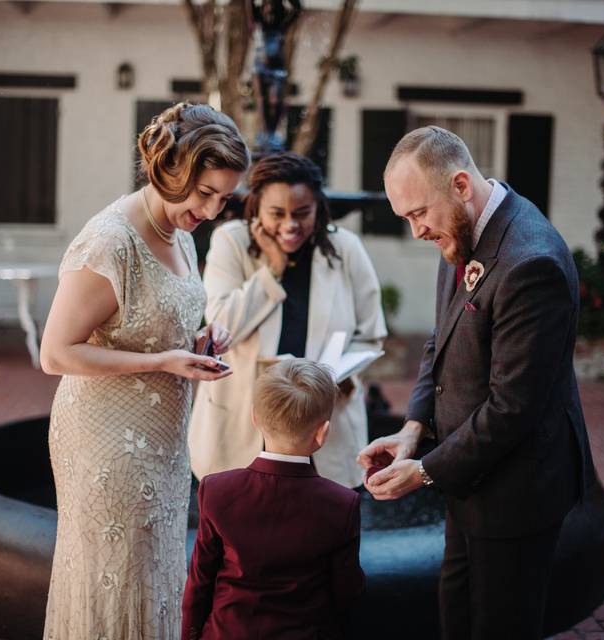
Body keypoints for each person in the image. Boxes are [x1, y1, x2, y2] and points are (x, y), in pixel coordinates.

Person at [358, 126, 596, 639]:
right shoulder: (464, 230)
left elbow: (513, 408)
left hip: (517, 493)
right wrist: (412, 430)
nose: (416, 230)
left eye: (419, 213)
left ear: (461, 184)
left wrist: (423, 473)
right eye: (406, 218)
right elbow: (437, 344)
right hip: (468, 480)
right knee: (457, 618)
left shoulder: (531, 264)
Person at [38, 102, 249, 639]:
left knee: (153, 578)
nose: (212, 209)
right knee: (115, 577)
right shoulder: (111, 241)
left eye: (224, 198)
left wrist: (198, 339)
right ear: (172, 169)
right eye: (204, 193)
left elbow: (156, 321)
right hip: (105, 440)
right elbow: (55, 353)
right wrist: (162, 361)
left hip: (163, 442)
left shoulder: (182, 229)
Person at [188, 151, 387, 488]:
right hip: (244, 421)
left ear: (318, 208)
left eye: (302, 213)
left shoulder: (345, 248)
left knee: (318, 529)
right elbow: (224, 326)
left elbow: (370, 334)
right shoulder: (231, 241)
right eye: (277, 213)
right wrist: (273, 269)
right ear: (256, 208)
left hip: (323, 422)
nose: (290, 224)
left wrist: (338, 373)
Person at [182, 358, 364, 640]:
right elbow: (346, 592)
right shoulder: (342, 504)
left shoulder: (217, 491)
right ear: (322, 432)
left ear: (254, 417)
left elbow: (199, 583)